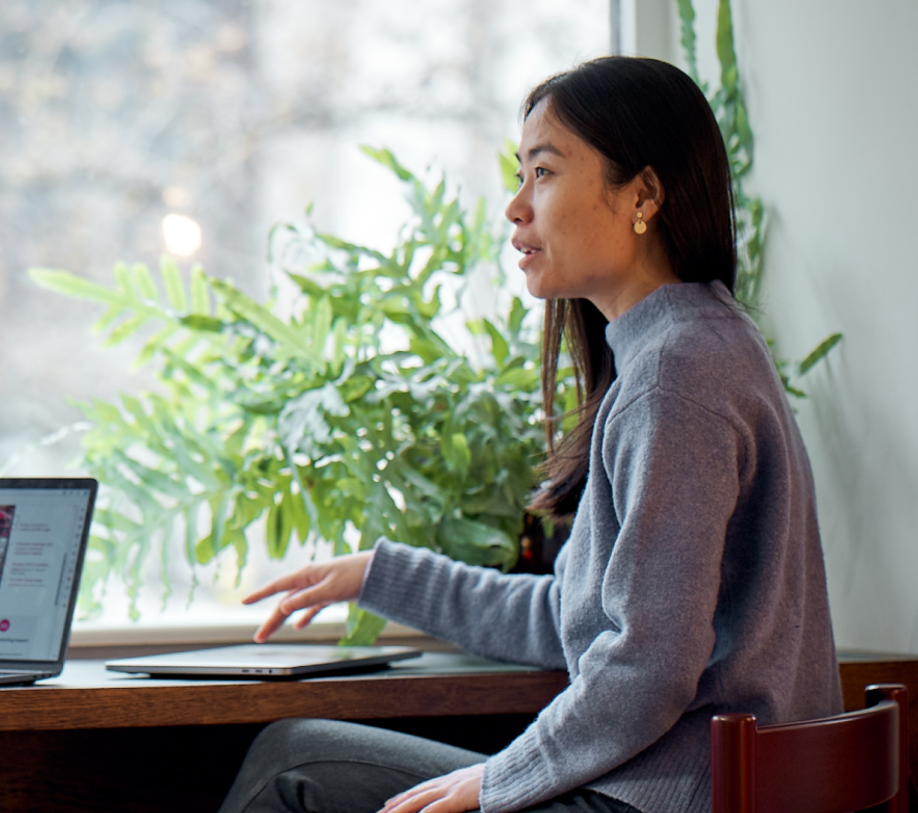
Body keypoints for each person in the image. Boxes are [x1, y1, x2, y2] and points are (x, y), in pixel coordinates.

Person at [215, 56, 840, 813]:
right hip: (690, 786)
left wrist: (498, 779)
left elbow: (648, 665)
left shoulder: (673, 378)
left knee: (294, 764)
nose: (515, 207)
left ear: (643, 193)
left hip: (666, 797)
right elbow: (576, 617)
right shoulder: (698, 344)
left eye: (542, 172)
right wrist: (380, 574)